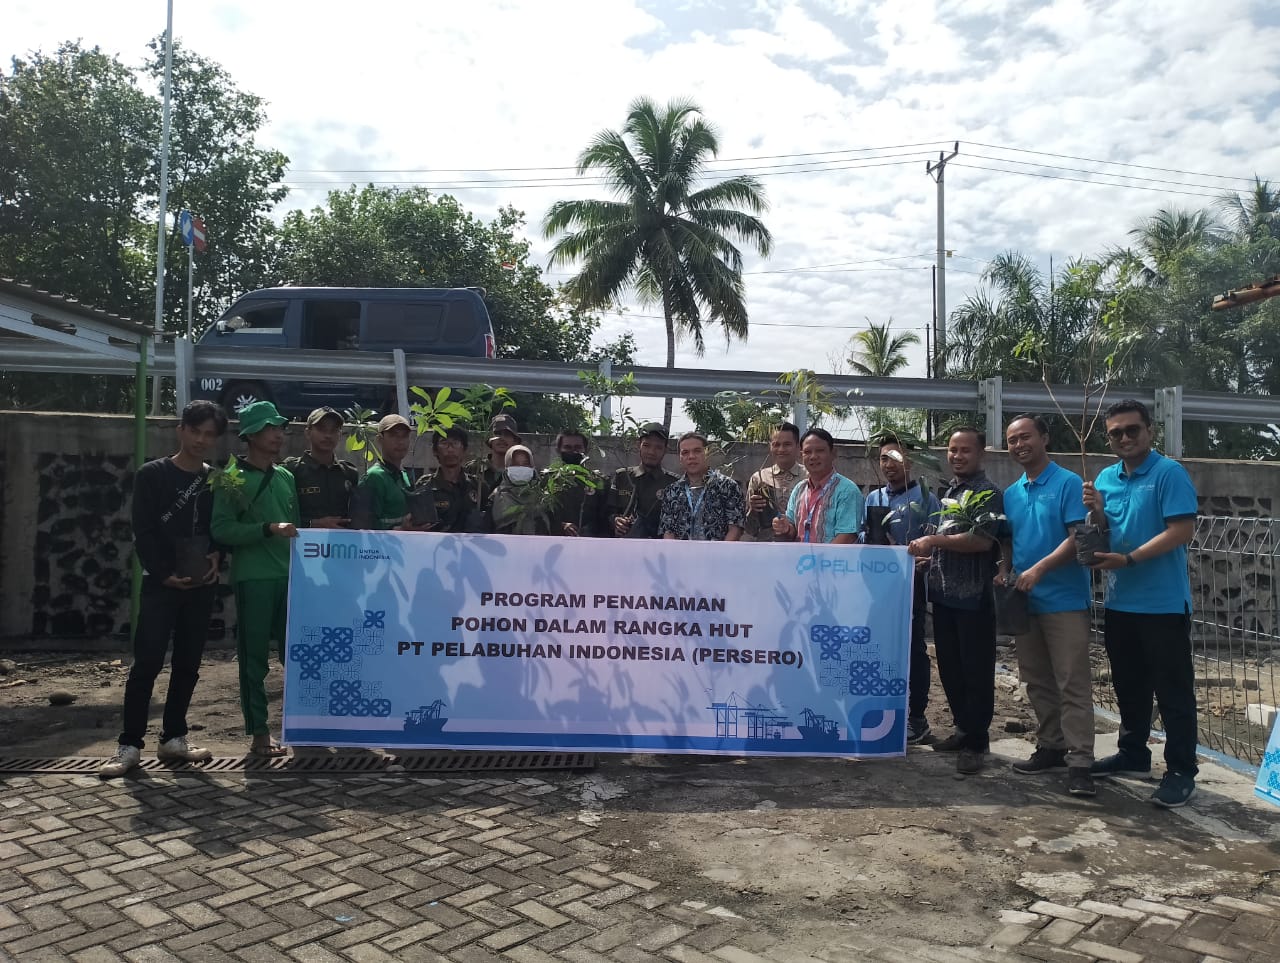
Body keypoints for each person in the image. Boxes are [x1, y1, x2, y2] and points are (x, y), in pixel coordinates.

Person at [100, 401, 228, 778]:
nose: (202, 440)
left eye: (209, 435)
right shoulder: (152, 474)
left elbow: (221, 528)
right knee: (148, 663)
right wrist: (162, 572)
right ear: (181, 429)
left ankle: (174, 737)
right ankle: (130, 744)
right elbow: (144, 530)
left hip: (201, 585)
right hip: (161, 585)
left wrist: (219, 556)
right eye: (196, 431)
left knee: (188, 663)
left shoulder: (218, 478)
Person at [1083, 399, 1199, 808]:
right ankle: (1134, 754)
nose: (1125, 438)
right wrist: (1097, 516)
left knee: (1173, 691)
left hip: (1163, 605)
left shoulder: (1169, 473)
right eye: (1116, 433)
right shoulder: (1106, 479)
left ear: (1149, 431)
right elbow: (1108, 533)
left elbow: (1181, 530)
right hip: (1120, 603)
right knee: (1128, 686)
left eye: (1133, 430)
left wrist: (1129, 559)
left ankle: (1182, 769)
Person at [999, 415, 1096, 797]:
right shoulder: (1012, 493)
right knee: (1036, 680)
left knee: (1072, 681)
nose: (1019, 445)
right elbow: (1009, 542)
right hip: (1026, 601)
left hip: (1064, 600)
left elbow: (1077, 537)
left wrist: (1039, 568)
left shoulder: (1068, 484)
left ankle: (1081, 762)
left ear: (1044, 438)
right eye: (1012, 440)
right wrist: (1004, 569)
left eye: (1026, 437)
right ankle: (1051, 745)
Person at [908, 427, 1003, 776]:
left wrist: (933, 542)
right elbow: (951, 543)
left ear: (981, 455)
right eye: (952, 450)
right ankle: (963, 731)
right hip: (944, 596)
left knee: (976, 671)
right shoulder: (950, 492)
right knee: (951, 669)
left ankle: (977, 742)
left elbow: (981, 541)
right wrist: (930, 561)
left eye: (965, 450)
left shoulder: (988, 493)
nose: (957, 456)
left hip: (973, 597)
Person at [210, 400, 299, 758]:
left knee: (297, 657)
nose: (278, 434)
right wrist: (265, 529)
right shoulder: (231, 477)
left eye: (279, 427)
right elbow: (222, 528)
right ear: (249, 436)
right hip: (255, 579)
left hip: (290, 578)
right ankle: (259, 733)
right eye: (269, 428)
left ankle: (302, 727)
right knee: (254, 658)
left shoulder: (286, 476)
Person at [862, 438, 941, 746]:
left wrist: (922, 559)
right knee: (878, 650)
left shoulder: (925, 498)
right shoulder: (873, 499)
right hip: (876, 590)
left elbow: (935, 540)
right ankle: (881, 712)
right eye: (883, 458)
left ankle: (917, 718)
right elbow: (863, 537)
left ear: (909, 461)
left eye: (895, 457)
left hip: (911, 589)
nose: (888, 463)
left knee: (912, 650)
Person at [772, 428, 863, 545]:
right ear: (801, 456)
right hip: (800, 561)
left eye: (820, 451)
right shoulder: (799, 489)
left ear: (833, 453)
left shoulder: (847, 491)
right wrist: (786, 529)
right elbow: (792, 529)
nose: (813, 457)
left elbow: (847, 537)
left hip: (832, 562)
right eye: (807, 452)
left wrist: (820, 562)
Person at [351, 414, 434, 531]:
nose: (400, 442)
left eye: (404, 436)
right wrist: (401, 529)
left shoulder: (403, 475)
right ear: (380, 439)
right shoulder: (374, 477)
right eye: (393, 435)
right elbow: (362, 526)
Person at [660, 432, 745, 542]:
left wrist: (721, 556)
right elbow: (668, 531)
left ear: (707, 453)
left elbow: (735, 529)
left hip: (718, 557)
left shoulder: (728, 486)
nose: (691, 456)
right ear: (680, 458)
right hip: (681, 557)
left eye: (697, 451)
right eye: (685, 452)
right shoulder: (671, 491)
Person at [283, 407, 358, 529]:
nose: (328, 435)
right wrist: (312, 524)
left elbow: (358, 517)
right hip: (301, 544)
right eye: (322, 429)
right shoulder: (291, 471)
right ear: (308, 432)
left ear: (340, 434)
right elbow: (280, 516)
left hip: (343, 545)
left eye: (334, 430)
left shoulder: (349, 473)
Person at [607, 423, 677, 539]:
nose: (651, 452)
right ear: (638, 445)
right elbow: (607, 512)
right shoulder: (622, 476)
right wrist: (615, 521)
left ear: (665, 450)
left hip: (658, 550)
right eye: (646, 445)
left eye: (658, 447)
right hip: (623, 548)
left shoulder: (673, 483)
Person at [744, 422, 806, 542]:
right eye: (776, 444)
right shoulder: (759, 478)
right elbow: (749, 530)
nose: (781, 449)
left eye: (787, 444)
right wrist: (753, 510)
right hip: (766, 548)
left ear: (798, 447)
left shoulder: (808, 476)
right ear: (770, 447)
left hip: (800, 549)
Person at [420, 425, 482, 533]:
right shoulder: (424, 486)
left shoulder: (478, 486)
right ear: (435, 450)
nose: (450, 449)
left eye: (456, 443)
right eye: (444, 443)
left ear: (464, 450)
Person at [548, 430, 607, 537]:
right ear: (558, 450)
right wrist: (560, 526)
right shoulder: (548, 479)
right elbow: (541, 515)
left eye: (578, 447)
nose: (573, 451)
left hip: (590, 543)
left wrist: (591, 529)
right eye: (567, 447)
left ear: (586, 450)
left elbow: (606, 515)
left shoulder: (597, 480)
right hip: (556, 542)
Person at [488, 445, 548, 535]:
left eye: (525, 464)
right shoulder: (495, 497)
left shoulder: (545, 498)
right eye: (515, 464)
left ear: (532, 467)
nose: (520, 468)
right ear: (506, 469)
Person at [481, 413, 522, 508]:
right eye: (497, 433)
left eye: (507, 435)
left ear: (515, 441)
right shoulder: (474, 469)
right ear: (490, 439)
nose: (501, 438)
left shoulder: (522, 473)